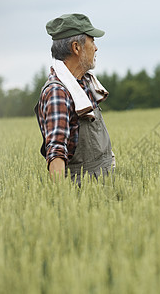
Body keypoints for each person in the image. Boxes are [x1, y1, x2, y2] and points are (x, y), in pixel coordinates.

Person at [34, 13, 115, 185]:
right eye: (92, 41)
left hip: (103, 186)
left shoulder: (83, 83)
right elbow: (56, 152)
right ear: (76, 47)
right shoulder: (58, 92)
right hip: (82, 194)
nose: (96, 47)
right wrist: (62, 201)